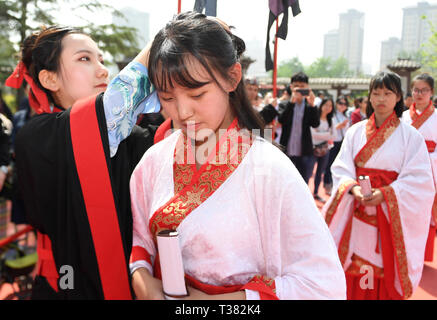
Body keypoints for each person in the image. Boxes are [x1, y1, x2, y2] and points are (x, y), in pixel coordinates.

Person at [129, 12, 346, 300]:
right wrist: (142, 279)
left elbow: (323, 285)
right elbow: (141, 242)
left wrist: (219, 303)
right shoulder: (153, 162)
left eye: (197, 95)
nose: (182, 113)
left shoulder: (270, 169)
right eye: (167, 98)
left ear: (232, 78)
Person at [8, 26, 160, 299]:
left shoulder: (128, 136)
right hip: (65, 285)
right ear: (49, 79)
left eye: (100, 59)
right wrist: (165, 38)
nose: (102, 70)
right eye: (84, 59)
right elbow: (111, 109)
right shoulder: (38, 136)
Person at [321, 71, 434, 300]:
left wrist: (387, 194)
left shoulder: (411, 137)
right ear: (370, 98)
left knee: (380, 268)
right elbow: (342, 168)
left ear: (398, 97)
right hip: (357, 209)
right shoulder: (355, 132)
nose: (381, 99)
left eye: (388, 93)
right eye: (376, 93)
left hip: (388, 215)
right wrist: (352, 188)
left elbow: (419, 180)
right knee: (355, 264)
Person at [401, 73, 436, 262]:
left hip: (431, 172)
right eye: (416, 90)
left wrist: (426, 157)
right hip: (406, 169)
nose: (419, 94)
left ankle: (422, 254)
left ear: (431, 92)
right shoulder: (403, 117)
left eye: (424, 90)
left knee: (425, 213)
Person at [278, 72, 319, 183]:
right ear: (291, 87)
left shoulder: (310, 105)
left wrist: (312, 105)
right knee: (284, 182)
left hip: (304, 152)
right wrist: (291, 102)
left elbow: (315, 124)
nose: (299, 89)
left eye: (302, 87)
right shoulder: (284, 104)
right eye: (296, 86)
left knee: (303, 182)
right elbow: (282, 120)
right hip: (287, 150)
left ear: (307, 88)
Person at [309, 99, 335, 203]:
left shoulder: (331, 120)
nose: (328, 107)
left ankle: (316, 192)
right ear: (321, 106)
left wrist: (320, 134)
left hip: (325, 150)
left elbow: (334, 135)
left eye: (330, 105)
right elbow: (312, 135)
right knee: (309, 172)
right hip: (313, 148)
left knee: (320, 172)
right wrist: (326, 134)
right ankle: (306, 193)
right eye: (326, 105)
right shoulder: (315, 118)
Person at [323, 96, 349, 195]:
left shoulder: (346, 115)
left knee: (340, 164)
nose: (342, 106)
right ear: (336, 104)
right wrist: (339, 126)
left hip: (343, 142)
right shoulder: (332, 115)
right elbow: (330, 128)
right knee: (330, 164)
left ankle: (336, 184)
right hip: (333, 141)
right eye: (340, 103)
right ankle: (327, 184)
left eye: (344, 104)